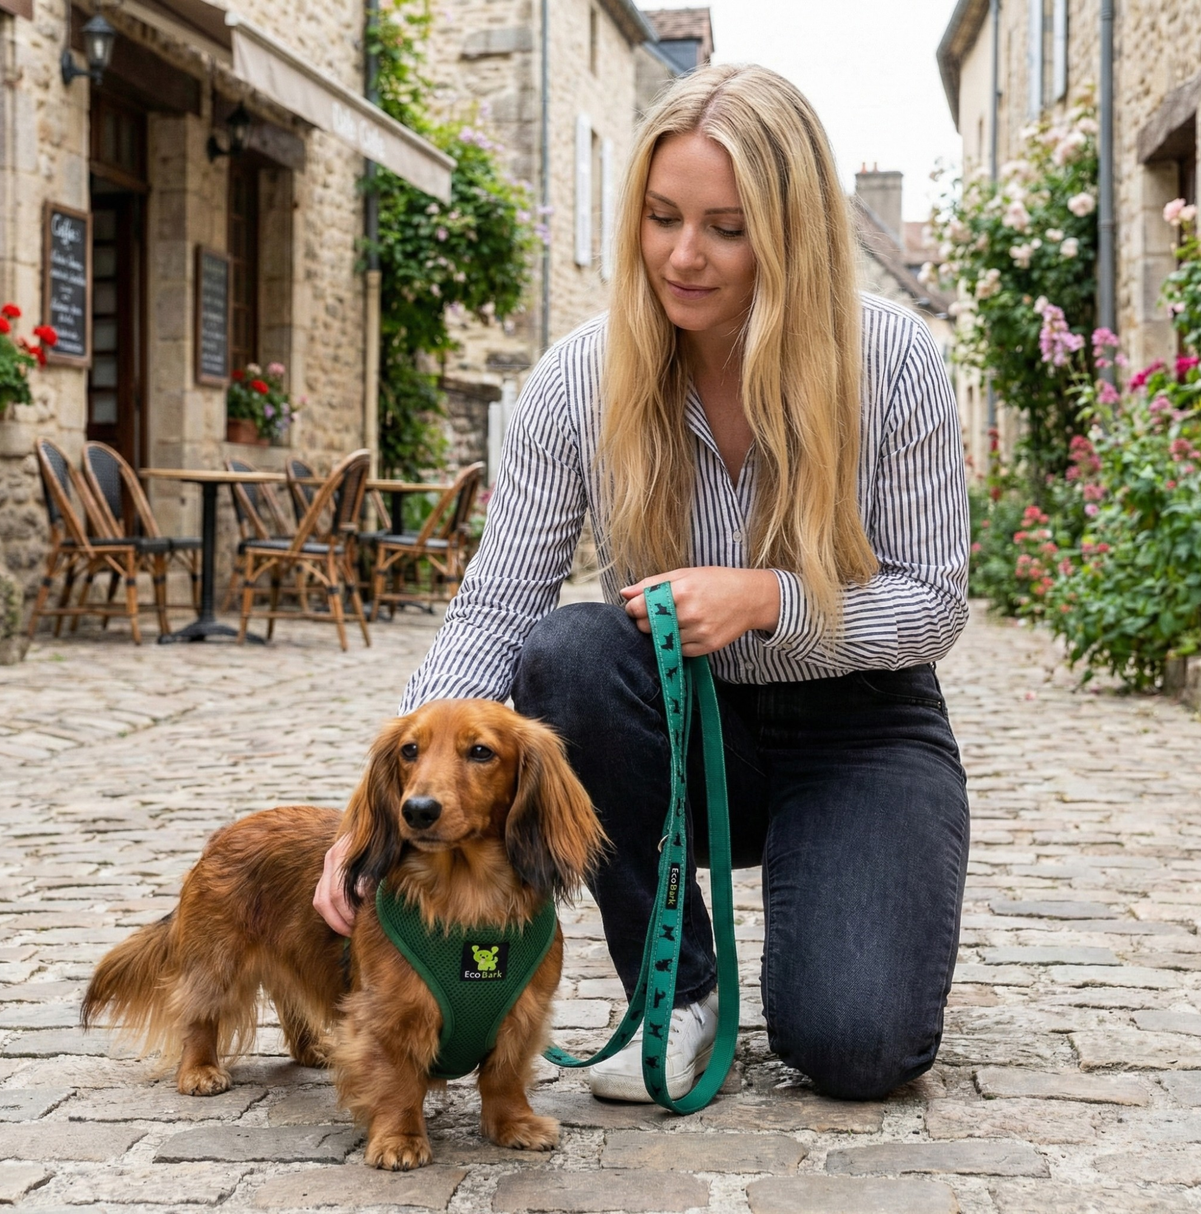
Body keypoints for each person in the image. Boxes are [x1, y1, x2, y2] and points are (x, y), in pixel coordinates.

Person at [316, 63, 970, 1104]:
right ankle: (677, 984)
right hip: (670, 727)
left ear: (789, 230)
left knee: (856, 1046)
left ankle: (855, 916)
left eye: (724, 225)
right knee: (565, 652)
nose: (681, 254)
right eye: (661, 217)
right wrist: (383, 804)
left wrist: (769, 599)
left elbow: (932, 600)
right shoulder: (578, 378)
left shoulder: (889, 360)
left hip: (861, 724)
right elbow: (496, 603)